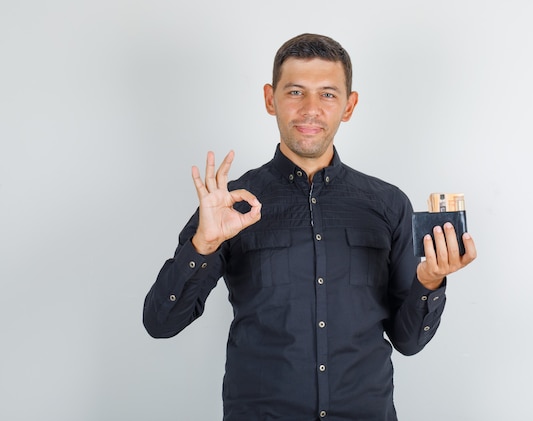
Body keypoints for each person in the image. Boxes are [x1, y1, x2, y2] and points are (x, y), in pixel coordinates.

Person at [143, 33, 477, 421]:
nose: (311, 109)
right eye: (296, 92)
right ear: (270, 99)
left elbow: (408, 342)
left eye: (328, 94)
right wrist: (202, 245)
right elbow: (160, 324)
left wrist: (431, 281)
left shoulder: (388, 204)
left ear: (349, 106)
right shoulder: (231, 204)